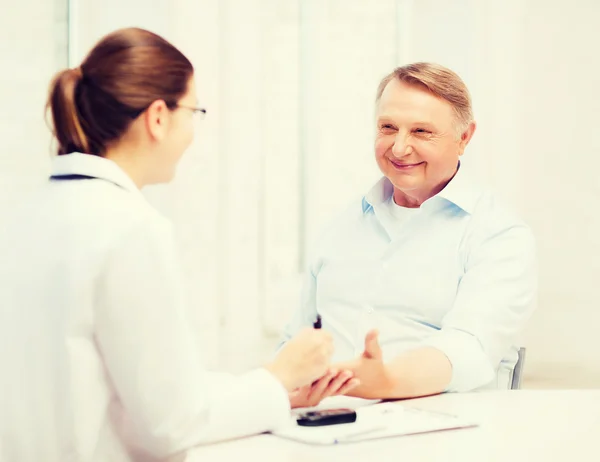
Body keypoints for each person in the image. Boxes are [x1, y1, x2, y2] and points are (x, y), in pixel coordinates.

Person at [0, 28, 357, 462]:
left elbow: (131, 392)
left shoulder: (27, 214)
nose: (193, 130)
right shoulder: (131, 228)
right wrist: (277, 380)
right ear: (157, 117)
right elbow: (172, 425)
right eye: (195, 111)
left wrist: (272, 382)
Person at [280, 62, 537, 403]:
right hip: (323, 426)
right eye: (388, 127)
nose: (399, 148)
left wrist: (384, 382)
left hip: (441, 432)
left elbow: (468, 348)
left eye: (421, 132)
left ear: (464, 138)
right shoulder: (340, 225)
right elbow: (295, 342)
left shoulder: (500, 236)